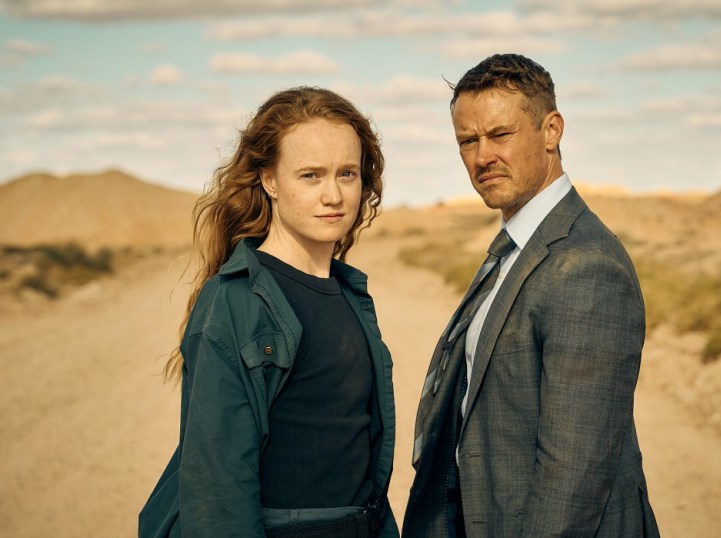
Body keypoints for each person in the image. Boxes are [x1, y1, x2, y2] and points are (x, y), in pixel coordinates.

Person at [403, 54, 660, 537]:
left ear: (552, 130)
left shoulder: (586, 267)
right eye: (467, 141)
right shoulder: (516, 247)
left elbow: (573, 476)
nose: (482, 157)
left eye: (500, 135)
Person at [139, 87, 398, 537]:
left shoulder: (350, 295)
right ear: (270, 180)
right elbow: (218, 490)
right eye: (311, 176)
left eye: (347, 174)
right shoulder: (235, 303)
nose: (333, 195)